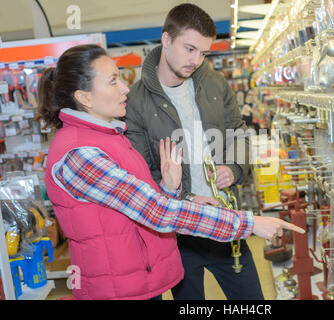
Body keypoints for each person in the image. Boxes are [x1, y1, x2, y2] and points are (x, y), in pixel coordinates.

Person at [37, 44, 304, 300]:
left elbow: (138, 204)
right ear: (83, 97)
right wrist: (249, 224)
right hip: (115, 290)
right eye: (112, 81)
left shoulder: (109, 137)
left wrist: (172, 190)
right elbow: (157, 212)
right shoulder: (80, 154)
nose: (125, 88)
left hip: (133, 281)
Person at [125, 4, 271, 300]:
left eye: (203, 52)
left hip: (225, 223)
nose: (196, 60)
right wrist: (185, 197)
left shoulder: (214, 84)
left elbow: (239, 132)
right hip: (180, 235)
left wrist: (235, 167)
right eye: (189, 49)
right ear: (166, 40)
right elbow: (141, 173)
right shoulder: (136, 102)